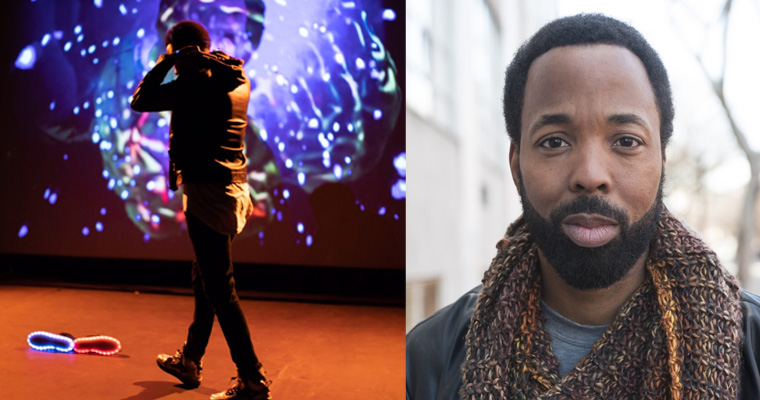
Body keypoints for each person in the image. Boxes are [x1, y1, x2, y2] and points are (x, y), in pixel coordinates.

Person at [406, 13, 760, 400]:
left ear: (662, 161)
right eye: (554, 142)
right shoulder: (427, 360)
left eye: (626, 141)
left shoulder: (751, 345)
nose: (590, 175)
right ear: (516, 166)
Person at [130, 20, 271, 400]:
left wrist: (164, 62)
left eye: (174, 54)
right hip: (233, 190)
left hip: (208, 195)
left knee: (220, 289)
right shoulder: (235, 75)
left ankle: (253, 379)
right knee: (206, 280)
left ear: (181, 51)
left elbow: (140, 100)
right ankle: (190, 359)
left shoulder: (195, 85)